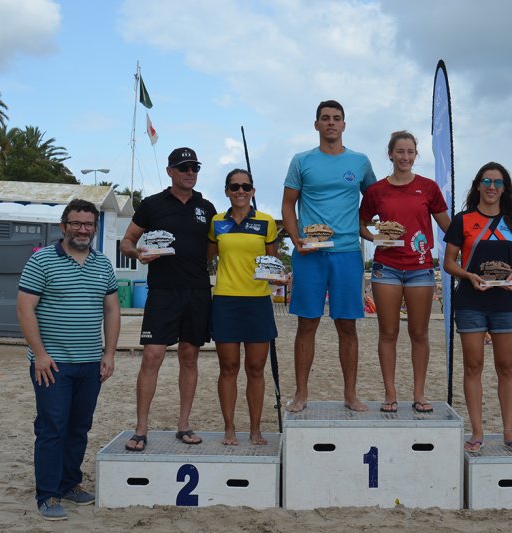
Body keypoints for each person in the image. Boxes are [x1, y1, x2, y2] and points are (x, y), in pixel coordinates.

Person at [16, 199, 120, 520]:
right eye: (76, 223)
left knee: (79, 427)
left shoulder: (103, 264)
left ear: (94, 228)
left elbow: (112, 309)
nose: (82, 229)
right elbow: (25, 308)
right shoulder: (42, 261)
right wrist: (41, 355)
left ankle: (70, 483)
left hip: (90, 364)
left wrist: (109, 353)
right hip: (53, 365)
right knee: (52, 428)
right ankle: (48, 494)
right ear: (63, 226)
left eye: (88, 224)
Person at [282, 99, 377, 412]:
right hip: (310, 253)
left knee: (346, 326)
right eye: (325, 118)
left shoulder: (360, 162)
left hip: (347, 252)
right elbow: (288, 205)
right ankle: (301, 394)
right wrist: (296, 239)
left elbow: (375, 201)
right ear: (316, 125)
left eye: (337, 118)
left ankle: (351, 394)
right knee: (306, 324)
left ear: (344, 125)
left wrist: (367, 228)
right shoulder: (301, 160)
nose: (331, 123)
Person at [121, 147, 217, 451]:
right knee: (152, 356)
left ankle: (184, 425)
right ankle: (140, 428)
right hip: (162, 292)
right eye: (184, 167)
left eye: (195, 167)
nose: (190, 173)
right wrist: (138, 254)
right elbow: (126, 241)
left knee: (190, 357)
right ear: (170, 172)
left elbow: (212, 249)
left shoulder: (208, 207)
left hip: (198, 291)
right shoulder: (152, 205)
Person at [359, 131, 450, 413]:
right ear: (390, 154)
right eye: (400, 152)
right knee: (388, 332)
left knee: (419, 333)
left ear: (416, 155)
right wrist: (376, 239)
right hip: (386, 268)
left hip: (420, 269)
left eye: (410, 152)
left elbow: (449, 227)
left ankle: (419, 393)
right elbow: (361, 225)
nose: (405, 157)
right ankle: (390, 393)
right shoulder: (376, 191)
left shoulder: (429, 187)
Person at [443, 162, 512, 453]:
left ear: (505, 188)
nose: (492, 187)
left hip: (505, 301)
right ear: (478, 185)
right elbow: (449, 262)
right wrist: (468, 275)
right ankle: (477, 432)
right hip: (471, 301)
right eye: (487, 181)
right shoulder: (462, 220)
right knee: (473, 367)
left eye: (498, 182)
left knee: (506, 367)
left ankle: (508, 432)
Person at [208, 169, 281, 446]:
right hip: (225, 299)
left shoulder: (266, 222)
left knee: (255, 368)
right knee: (228, 367)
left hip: (257, 301)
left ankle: (255, 429)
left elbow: (273, 265)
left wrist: (281, 277)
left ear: (253, 190)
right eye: (234, 186)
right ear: (226, 191)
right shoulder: (216, 222)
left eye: (246, 186)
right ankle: (229, 429)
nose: (240, 191)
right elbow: (204, 257)